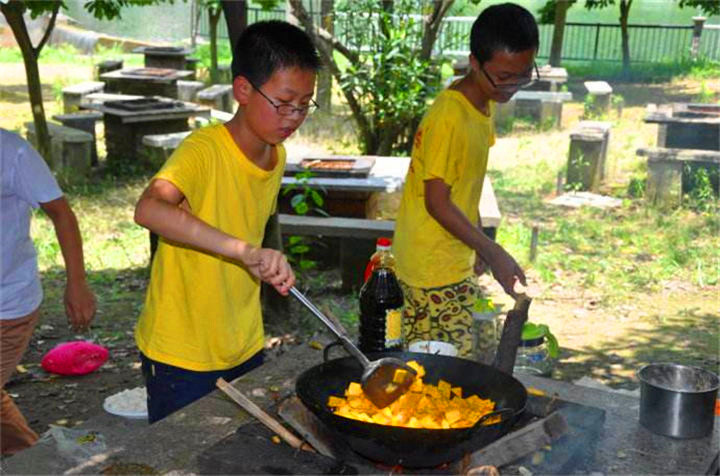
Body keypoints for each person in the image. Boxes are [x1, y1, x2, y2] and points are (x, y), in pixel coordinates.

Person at [133, 20, 320, 423]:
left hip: (243, 342)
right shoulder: (204, 150)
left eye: (305, 104)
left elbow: (247, 224)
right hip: (181, 350)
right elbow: (149, 209)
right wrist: (245, 252)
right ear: (243, 90)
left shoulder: (276, 154)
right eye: (285, 102)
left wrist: (264, 260)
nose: (294, 116)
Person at [392, 3, 537, 358]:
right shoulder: (449, 118)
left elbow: (463, 187)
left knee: (454, 360)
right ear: (474, 62)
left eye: (524, 74)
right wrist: (492, 248)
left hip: (451, 255)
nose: (513, 86)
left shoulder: (482, 105)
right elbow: (436, 201)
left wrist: (475, 243)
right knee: (440, 368)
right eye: (503, 76)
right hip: (428, 265)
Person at [1, 128, 96, 455]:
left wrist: (77, 282)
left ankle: (31, 460)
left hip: (8, 304)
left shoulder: (11, 150)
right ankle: (31, 458)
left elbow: (61, 213)